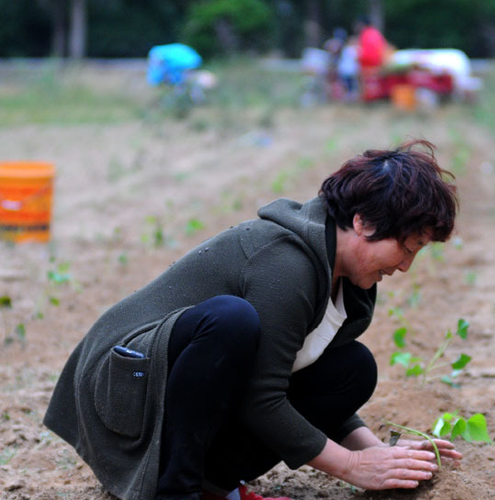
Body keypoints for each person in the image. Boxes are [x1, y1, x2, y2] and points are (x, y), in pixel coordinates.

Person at [44, 140, 463, 500]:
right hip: (124, 400)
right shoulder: (286, 263)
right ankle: (176, 491)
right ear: (362, 221)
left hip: (175, 403)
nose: (406, 266)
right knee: (231, 322)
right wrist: (352, 466)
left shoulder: (349, 285)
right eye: (406, 248)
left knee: (352, 368)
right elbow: (261, 399)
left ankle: (211, 484)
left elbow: (293, 385)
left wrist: (381, 458)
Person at [355, 16, 388, 101]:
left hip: (369, 66)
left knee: (369, 87)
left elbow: (367, 53)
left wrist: (358, 57)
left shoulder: (366, 35)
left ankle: (369, 100)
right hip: (378, 65)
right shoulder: (376, 33)